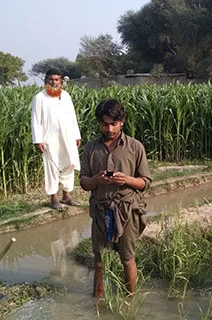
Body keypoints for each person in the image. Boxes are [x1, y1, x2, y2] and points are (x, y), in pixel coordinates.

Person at [79, 99, 152, 299]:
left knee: (127, 258)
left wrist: (127, 179)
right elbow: (84, 183)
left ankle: (130, 299)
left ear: (122, 122)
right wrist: (97, 179)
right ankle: (98, 301)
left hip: (127, 210)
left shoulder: (135, 147)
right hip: (101, 211)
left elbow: (145, 182)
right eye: (104, 124)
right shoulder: (91, 148)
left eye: (113, 123)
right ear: (98, 123)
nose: (109, 128)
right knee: (100, 261)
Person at [31, 68, 81, 211]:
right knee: (52, 167)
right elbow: (36, 121)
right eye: (51, 79)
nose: (54, 82)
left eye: (57, 79)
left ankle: (67, 196)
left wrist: (77, 135)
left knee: (69, 163)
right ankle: (54, 198)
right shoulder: (39, 98)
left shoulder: (65, 96)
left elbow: (72, 117)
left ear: (61, 81)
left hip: (68, 136)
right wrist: (38, 140)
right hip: (49, 139)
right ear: (46, 80)